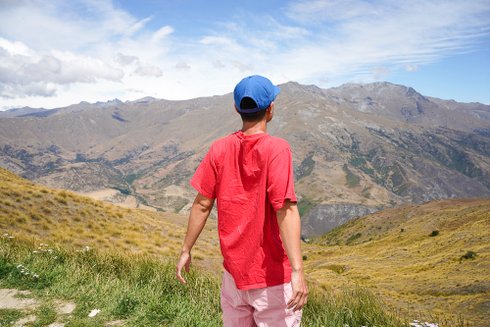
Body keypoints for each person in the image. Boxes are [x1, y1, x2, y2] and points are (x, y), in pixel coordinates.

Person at [176, 75, 308, 326]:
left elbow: (202, 204)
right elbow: (286, 210)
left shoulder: (219, 148)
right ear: (270, 109)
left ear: (237, 108)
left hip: (233, 275)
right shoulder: (277, 149)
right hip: (270, 279)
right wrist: (298, 271)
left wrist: (185, 250)